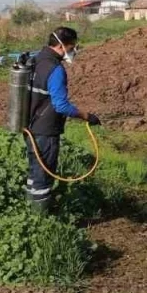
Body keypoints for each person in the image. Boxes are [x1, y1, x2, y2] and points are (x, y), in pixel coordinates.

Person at [24, 26, 101, 212]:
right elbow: (61, 106)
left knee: (35, 170)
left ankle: (30, 210)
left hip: (30, 127)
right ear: (62, 46)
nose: (73, 51)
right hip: (46, 130)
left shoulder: (37, 59)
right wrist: (86, 116)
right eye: (72, 47)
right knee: (43, 174)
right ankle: (41, 218)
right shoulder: (56, 69)